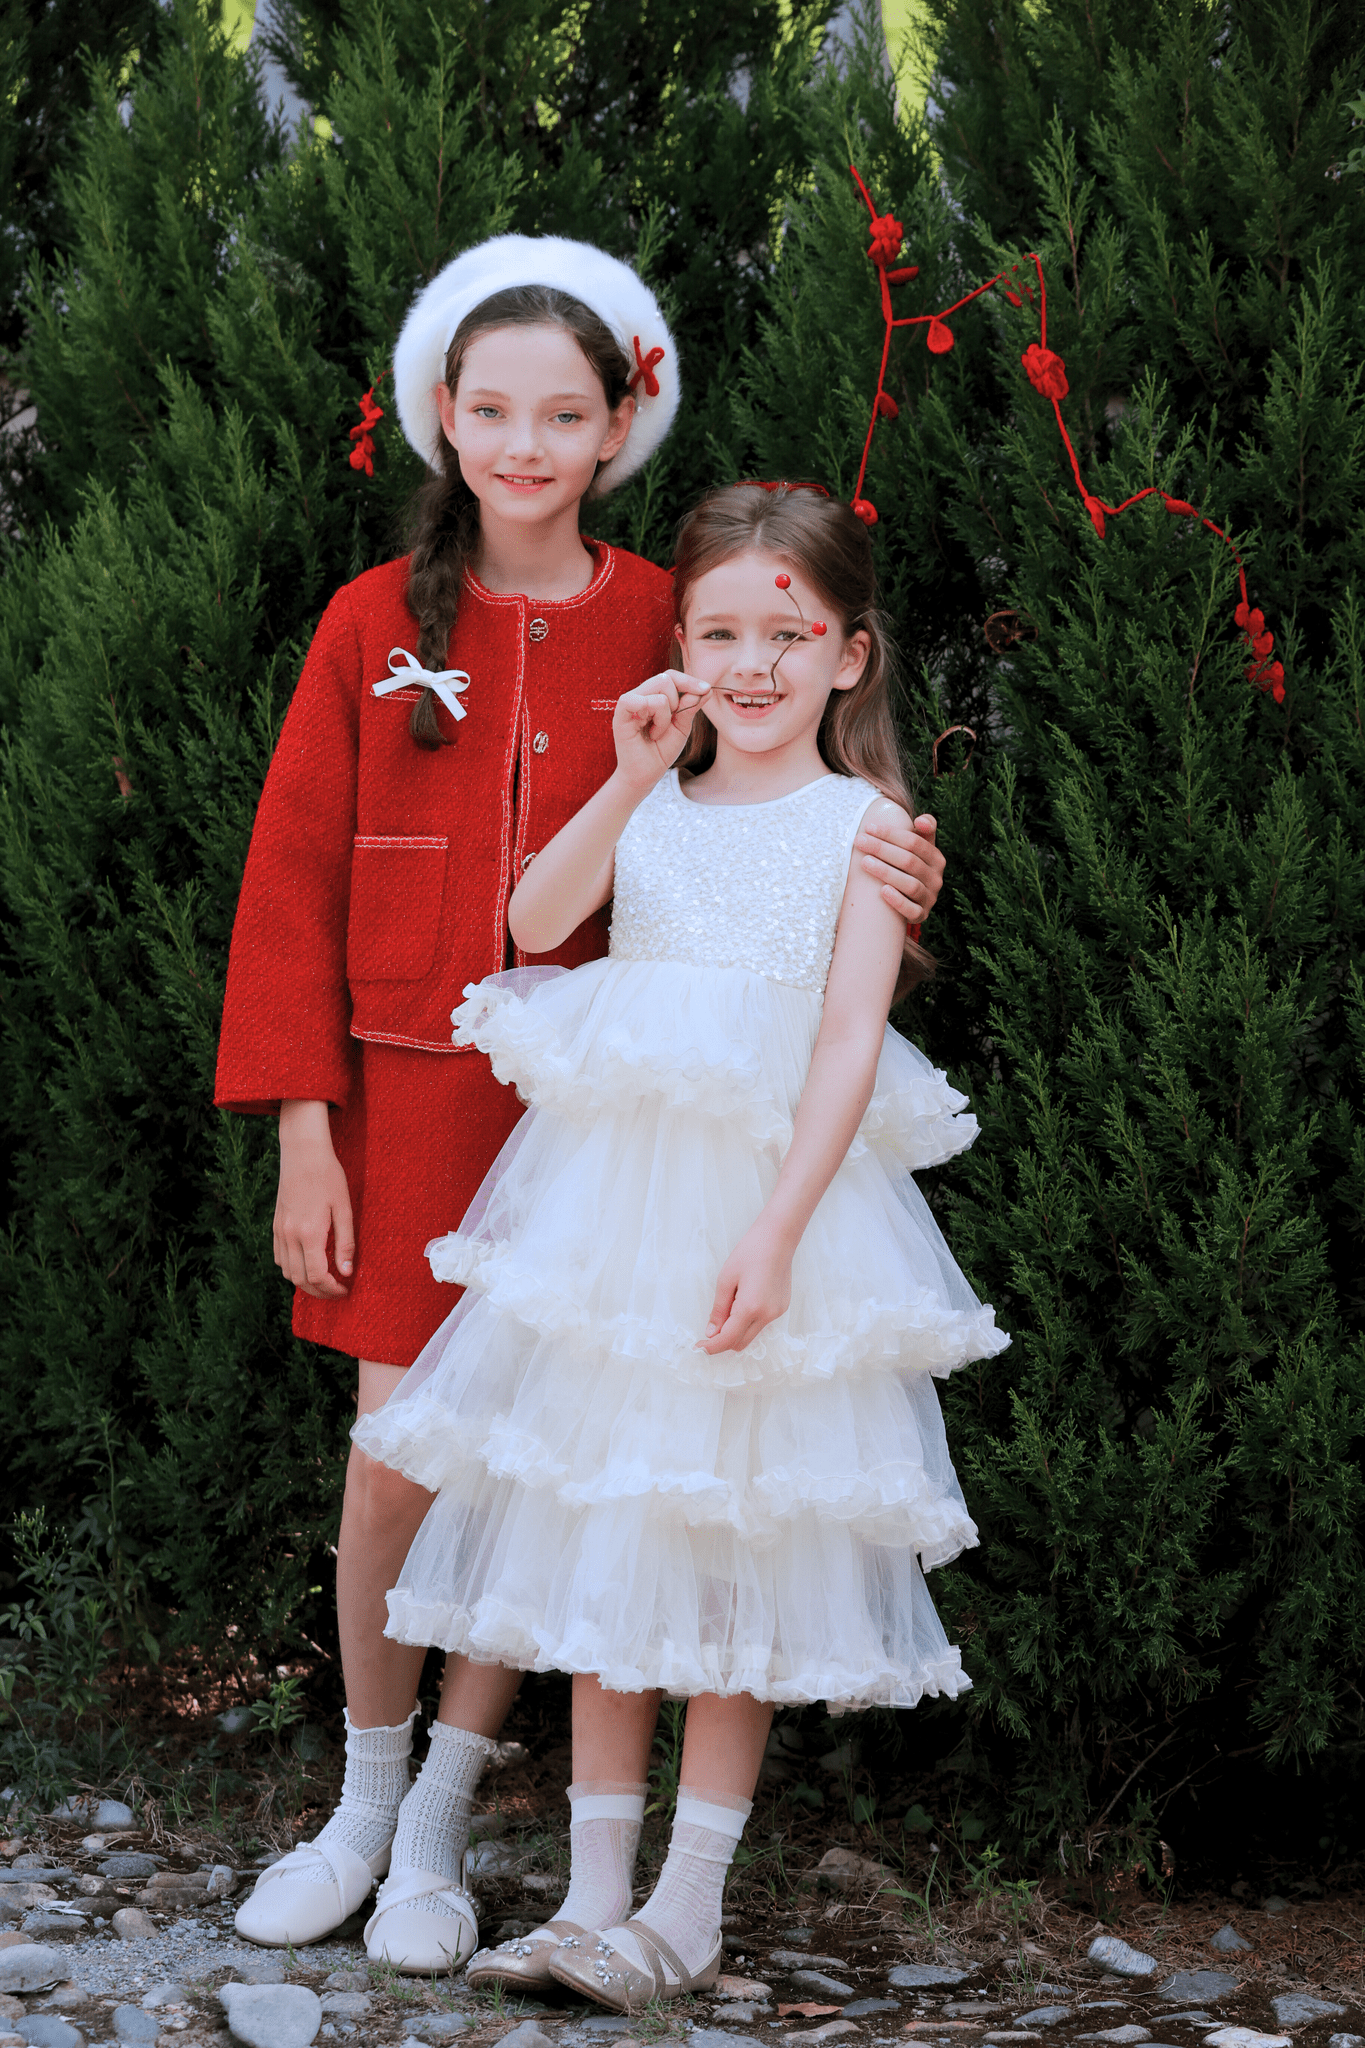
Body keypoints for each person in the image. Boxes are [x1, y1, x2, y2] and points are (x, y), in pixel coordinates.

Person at [215, 238, 950, 1958]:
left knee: (547, 1465)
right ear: (443, 421)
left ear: (622, 421)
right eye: (492, 410)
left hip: (611, 1123)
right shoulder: (365, 627)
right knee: (402, 1457)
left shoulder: (661, 609)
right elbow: (291, 877)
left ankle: (446, 1839)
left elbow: (780, 791)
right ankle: (364, 1804)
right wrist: (301, 1127)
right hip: (410, 1099)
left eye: (566, 411)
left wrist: (887, 852)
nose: (528, 443)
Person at [353, 482, 1007, 1987]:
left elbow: (849, 1042)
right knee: (610, 1532)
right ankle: (590, 1901)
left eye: (789, 634)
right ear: (683, 647)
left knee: (733, 1546)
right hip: (617, 1236)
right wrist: (632, 770)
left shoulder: (865, 830)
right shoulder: (658, 797)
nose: (753, 663)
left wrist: (779, 1232)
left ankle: (687, 1906)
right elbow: (533, 922)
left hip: (772, 1226)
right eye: (721, 631)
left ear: (851, 655)